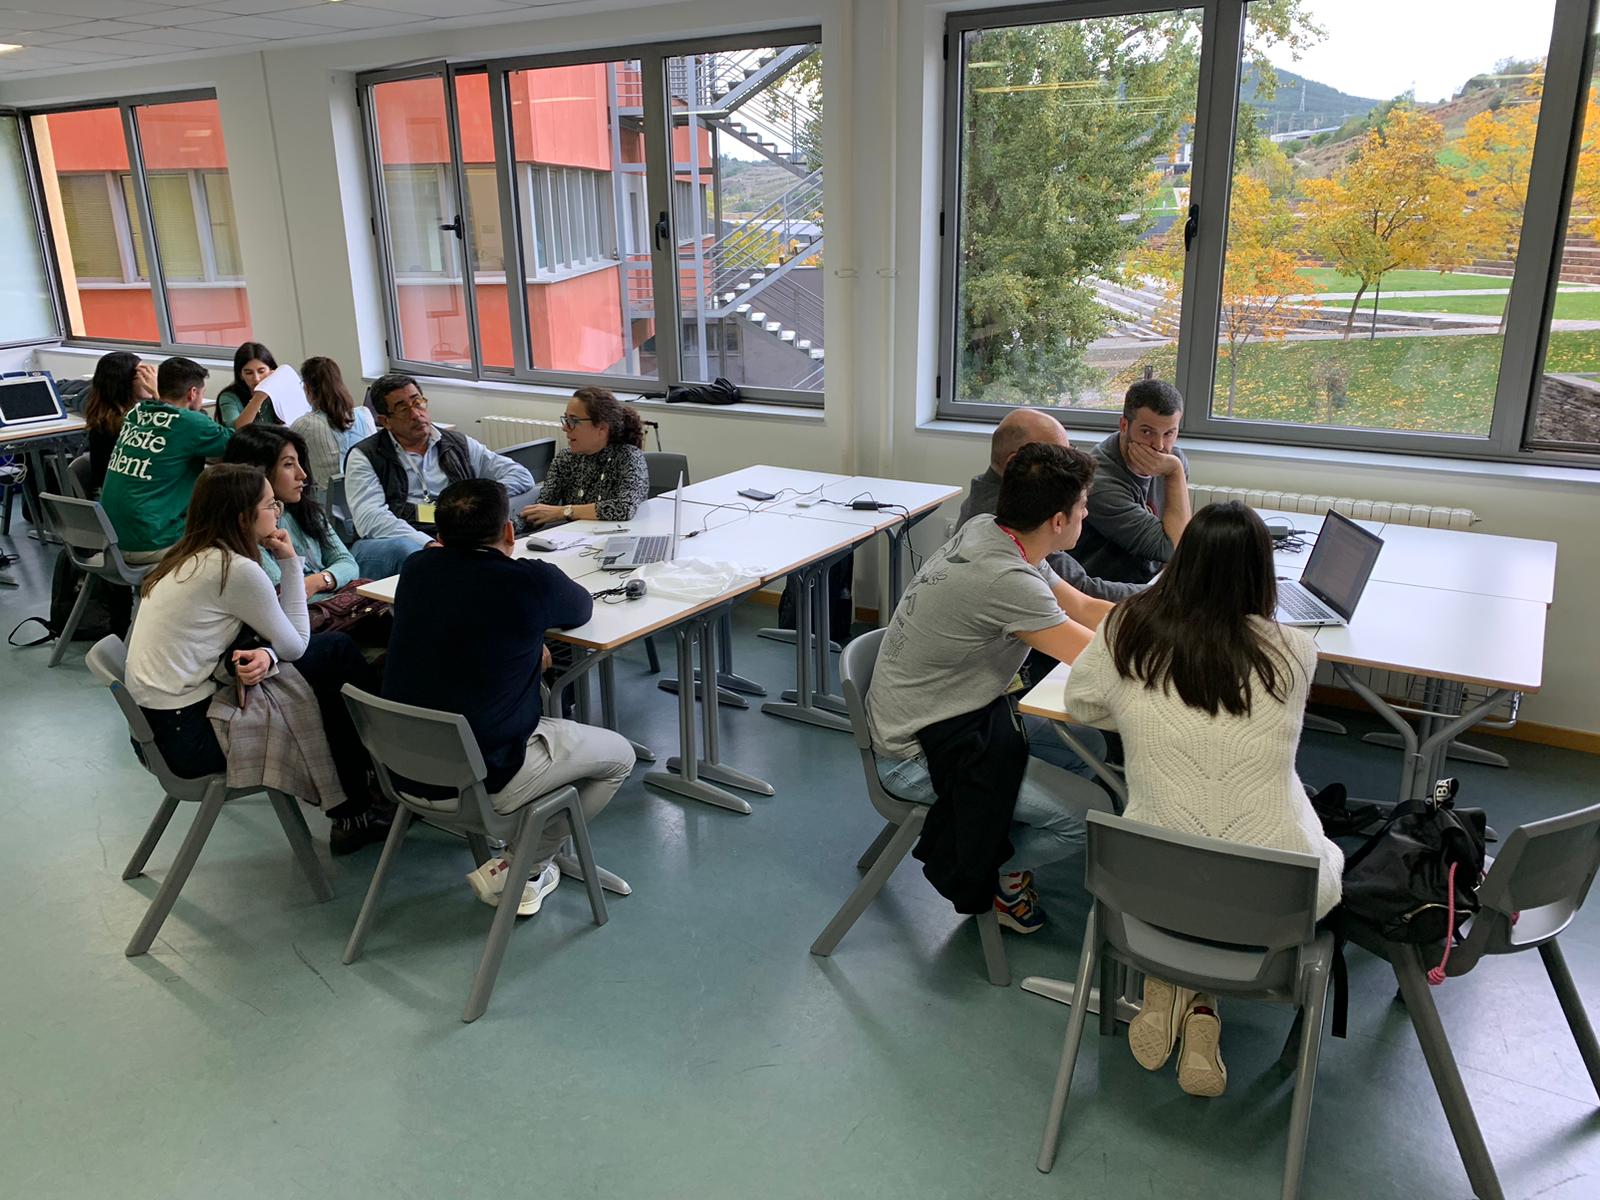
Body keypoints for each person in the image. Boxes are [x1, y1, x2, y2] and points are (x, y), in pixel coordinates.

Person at [1063, 501, 1344, 1099]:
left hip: (1145, 885)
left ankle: (1170, 987)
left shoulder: (1128, 627)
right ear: (1262, 576)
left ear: (1181, 562)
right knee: (1299, 850)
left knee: (1190, 855)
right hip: (1275, 900)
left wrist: (1139, 703)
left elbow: (1082, 705)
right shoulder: (1294, 651)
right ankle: (1201, 1010)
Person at [867, 443, 1114, 934]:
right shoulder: (1005, 577)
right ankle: (999, 868)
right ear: (1059, 521)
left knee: (1088, 744)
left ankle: (1004, 832)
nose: (1088, 512)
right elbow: (1097, 663)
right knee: (1092, 815)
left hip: (956, 715)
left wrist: (1170, 621)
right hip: (917, 752)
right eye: (1083, 505)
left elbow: (1084, 609)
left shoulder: (994, 532)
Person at [383, 479, 633, 916]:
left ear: (438, 537)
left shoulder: (416, 569)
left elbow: (458, 629)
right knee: (619, 758)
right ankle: (526, 867)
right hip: (483, 779)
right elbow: (580, 610)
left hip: (404, 769)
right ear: (510, 532)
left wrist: (524, 642)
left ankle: (520, 855)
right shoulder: (528, 582)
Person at [123, 464, 390, 854]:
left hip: (156, 729)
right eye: (270, 505)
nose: (278, 512)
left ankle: (357, 802)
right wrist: (290, 563)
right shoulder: (236, 570)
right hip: (191, 740)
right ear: (243, 517)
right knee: (328, 664)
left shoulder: (185, 557)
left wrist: (267, 652)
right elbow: (296, 644)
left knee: (325, 660)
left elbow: (239, 640)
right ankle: (374, 780)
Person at [343, 373, 535, 579]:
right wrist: (424, 542)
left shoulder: (456, 443)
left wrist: (479, 501)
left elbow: (521, 476)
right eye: (402, 408)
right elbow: (370, 519)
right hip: (403, 537)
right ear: (385, 421)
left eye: (418, 403)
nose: (416, 414)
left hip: (457, 531)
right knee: (415, 554)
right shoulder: (365, 455)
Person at [958, 408, 1144, 603]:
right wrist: (1162, 596)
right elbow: (1081, 592)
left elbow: (1082, 604)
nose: (1068, 466)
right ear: (1016, 462)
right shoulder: (1013, 524)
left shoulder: (1001, 499)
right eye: (1056, 458)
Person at [100, 357, 263, 562]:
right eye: (202, 393)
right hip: (152, 542)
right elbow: (239, 438)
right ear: (192, 393)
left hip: (112, 540)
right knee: (231, 528)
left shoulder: (136, 413)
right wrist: (258, 398)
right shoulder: (190, 422)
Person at [1070, 378, 1192, 585]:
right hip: (1109, 590)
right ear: (1124, 425)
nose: (1159, 446)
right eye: (1147, 432)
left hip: (1150, 582)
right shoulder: (1099, 481)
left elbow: (1181, 544)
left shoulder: (1173, 461)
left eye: (1169, 433)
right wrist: (1174, 473)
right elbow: (1174, 548)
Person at [224, 424, 358, 602]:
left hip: (333, 607)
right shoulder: (248, 525)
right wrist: (331, 581)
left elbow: (348, 563)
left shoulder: (305, 510)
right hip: (308, 617)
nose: (302, 474)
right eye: (288, 464)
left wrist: (317, 581)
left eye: (299, 463)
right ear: (255, 471)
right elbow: (281, 594)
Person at [520, 386, 649, 527]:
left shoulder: (629, 457)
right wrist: (501, 531)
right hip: (575, 541)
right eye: (566, 419)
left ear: (602, 428)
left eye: (574, 421)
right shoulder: (565, 459)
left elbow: (624, 508)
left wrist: (563, 512)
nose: (565, 427)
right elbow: (542, 510)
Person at [291, 356, 375, 485]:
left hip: (329, 502)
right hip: (369, 495)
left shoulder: (305, 424)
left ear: (307, 388)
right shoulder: (365, 414)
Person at [82, 351, 156, 496]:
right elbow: (176, 426)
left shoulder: (136, 412)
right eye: (142, 376)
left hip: (131, 490)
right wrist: (157, 392)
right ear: (123, 383)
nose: (149, 380)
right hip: (121, 496)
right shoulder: (112, 426)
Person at [215, 341, 279, 429]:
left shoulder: (281, 391)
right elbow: (236, 430)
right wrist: (259, 397)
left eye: (261, 371)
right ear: (241, 375)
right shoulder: (228, 397)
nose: (256, 378)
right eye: (249, 373)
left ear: (272, 371)